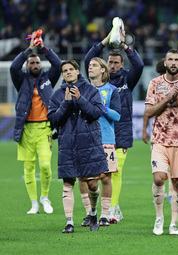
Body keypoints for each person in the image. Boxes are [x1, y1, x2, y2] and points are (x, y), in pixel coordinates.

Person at [85, 26, 144, 223]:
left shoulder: (128, 78)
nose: (112, 65)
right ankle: (111, 207)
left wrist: (124, 44)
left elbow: (140, 65)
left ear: (121, 64)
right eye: (109, 62)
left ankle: (111, 209)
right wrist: (106, 40)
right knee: (97, 175)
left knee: (115, 172)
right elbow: (88, 61)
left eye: (116, 62)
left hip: (122, 130)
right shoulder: (96, 82)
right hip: (99, 131)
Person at [47, 60, 108, 233]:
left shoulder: (90, 90)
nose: (67, 73)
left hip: (88, 143)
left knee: (93, 185)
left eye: (70, 69)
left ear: (77, 71)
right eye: (64, 71)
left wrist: (80, 99)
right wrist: (66, 103)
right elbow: (53, 120)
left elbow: (96, 113)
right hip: (67, 144)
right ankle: (69, 222)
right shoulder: (57, 95)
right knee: (68, 182)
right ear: (62, 74)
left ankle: (93, 213)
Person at [145, 49, 178, 235]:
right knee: (158, 178)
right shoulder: (155, 83)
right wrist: (167, 99)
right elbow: (149, 112)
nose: (173, 62)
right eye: (170, 60)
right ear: (165, 63)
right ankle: (159, 217)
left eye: (177, 59)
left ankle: (174, 223)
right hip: (159, 139)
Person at [10, 30, 61, 215]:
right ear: (27, 65)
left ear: (41, 64)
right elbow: (13, 67)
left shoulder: (48, 78)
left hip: (44, 129)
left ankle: (44, 197)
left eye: (37, 62)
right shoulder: (21, 79)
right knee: (28, 167)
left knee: (46, 166)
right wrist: (29, 49)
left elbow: (58, 64)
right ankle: (33, 203)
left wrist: (43, 48)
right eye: (31, 63)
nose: (35, 65)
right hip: (25, 130)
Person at [79, 57, 121, 227]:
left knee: (105, 177)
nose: (90, 68)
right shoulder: (82, 90)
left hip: (106, 138)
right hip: (85, 138)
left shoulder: (111, 90)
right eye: (89, 65)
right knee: (84, 178)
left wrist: (100, 107)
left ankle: (104, 214)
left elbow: (117, 116)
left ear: (103, 70)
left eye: (94, 65)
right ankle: (90, 213)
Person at [142, 58, 174, 204]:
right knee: (169, 168)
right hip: (161, 134)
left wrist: (144, 130)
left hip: (166, 134)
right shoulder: (155, 84)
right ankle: (170, 193)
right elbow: (148, 110)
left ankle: (168, 192)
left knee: (168, 168)